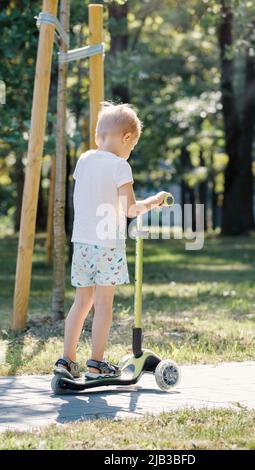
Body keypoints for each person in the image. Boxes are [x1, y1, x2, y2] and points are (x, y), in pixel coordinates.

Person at [54, 101, 170, 380]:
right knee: (103, 305)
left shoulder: (83, 160)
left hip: (81, 243)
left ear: (98, 135)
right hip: (107, 245)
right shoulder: (120, 166)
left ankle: (66, 361)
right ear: (126, 138)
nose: (129, 153)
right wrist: (153, 202)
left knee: (81, 302)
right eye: (132, 148)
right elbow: (130, 210)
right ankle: (95, 364)